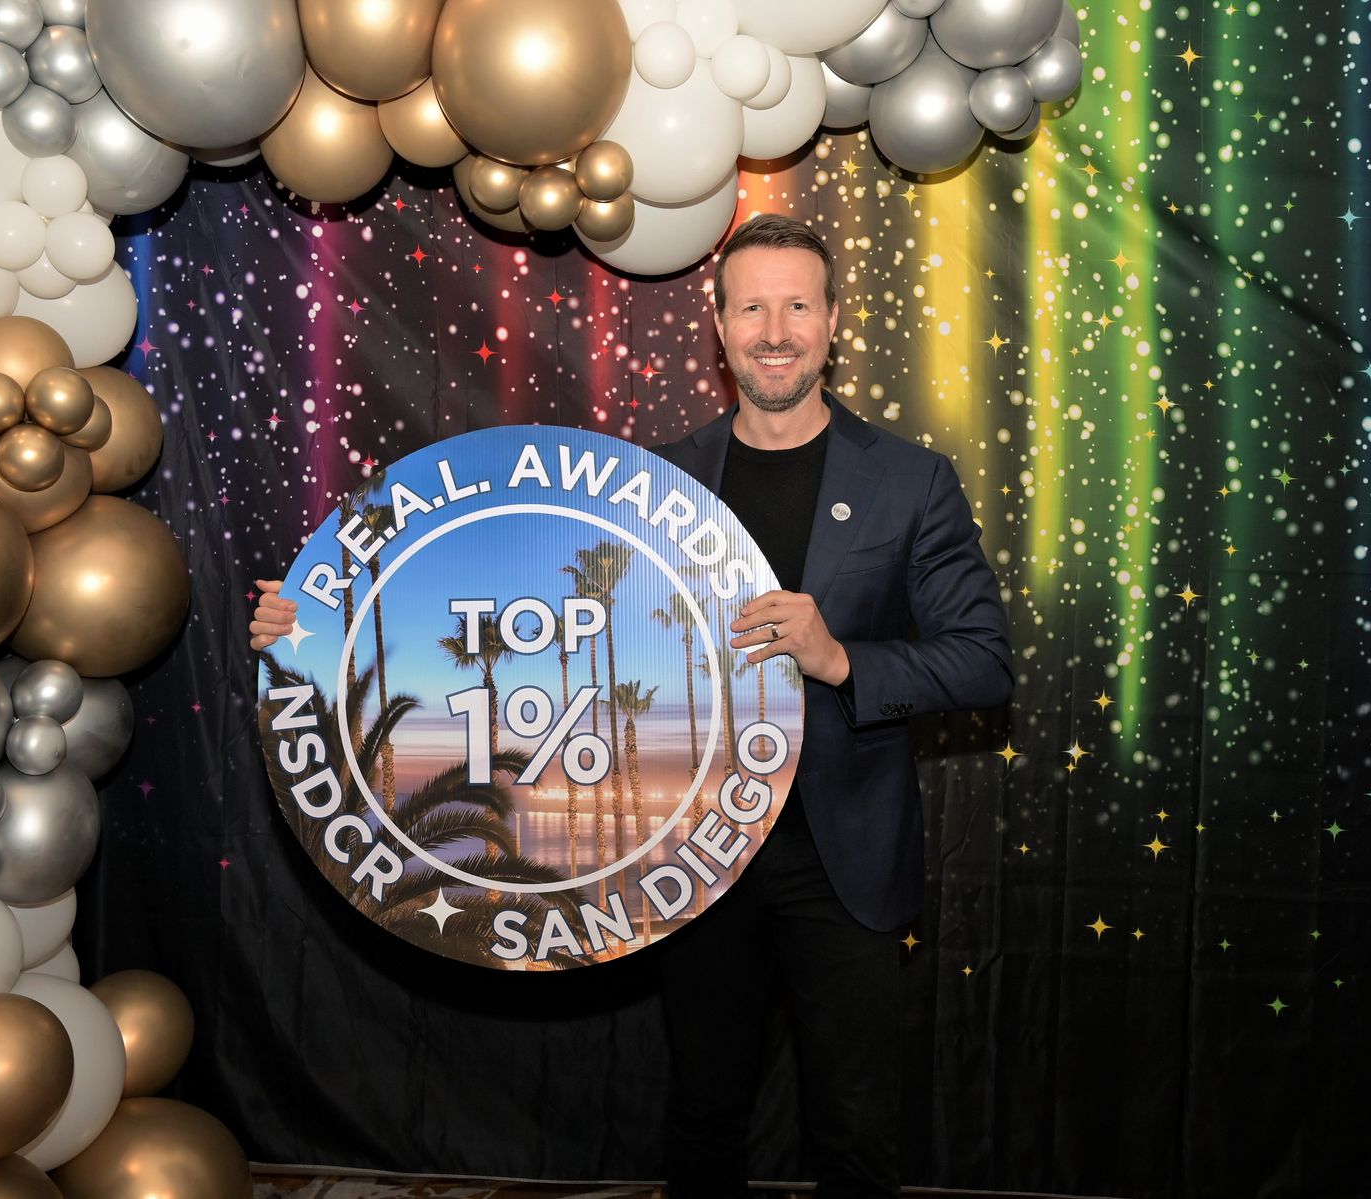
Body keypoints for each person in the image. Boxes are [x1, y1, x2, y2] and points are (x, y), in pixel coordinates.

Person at [249, 213, 1012, 1196]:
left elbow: (982, 662)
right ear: (720, 328)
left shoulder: (910, 481)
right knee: (704, 1113)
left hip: (844, 864)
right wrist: (317, 624)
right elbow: (508, 624)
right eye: (752, 308)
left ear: (832, 322)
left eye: (796, 306)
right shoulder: (654, 486)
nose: (774, 330)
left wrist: (838, 659)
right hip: (689, 861)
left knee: (855, 1130)